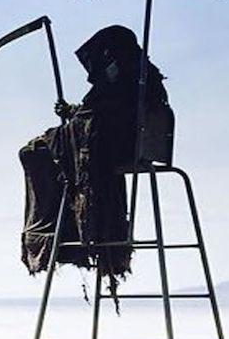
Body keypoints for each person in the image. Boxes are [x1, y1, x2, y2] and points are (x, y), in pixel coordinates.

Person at [19, 25, 172, 295]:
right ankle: (63, 230)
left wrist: (72, 124)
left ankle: (61, 231)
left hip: (110, 153)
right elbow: (99, 113)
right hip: (119, 149)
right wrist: (73, 113)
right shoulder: (138, 75)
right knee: (42, 151)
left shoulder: (128, 76)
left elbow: (103, 120)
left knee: (34, 153)